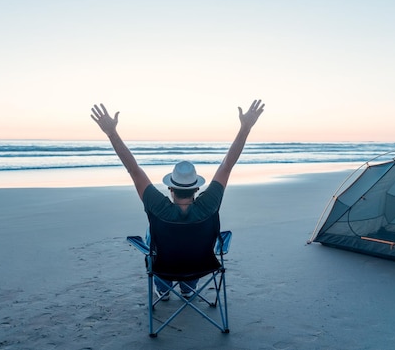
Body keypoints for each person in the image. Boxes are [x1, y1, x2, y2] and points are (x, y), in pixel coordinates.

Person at [90, 100, 265, 300]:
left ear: (170, 188)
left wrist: (111, 133)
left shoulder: (158, 206)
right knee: (192, 240)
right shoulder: (209, 204)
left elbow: (133, 169)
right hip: (202, 266)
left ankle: (164, 289)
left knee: (152, 233)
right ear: (197, 188)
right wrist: (245, 128)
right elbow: (227, 165)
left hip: (165, 267)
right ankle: (188, 287)